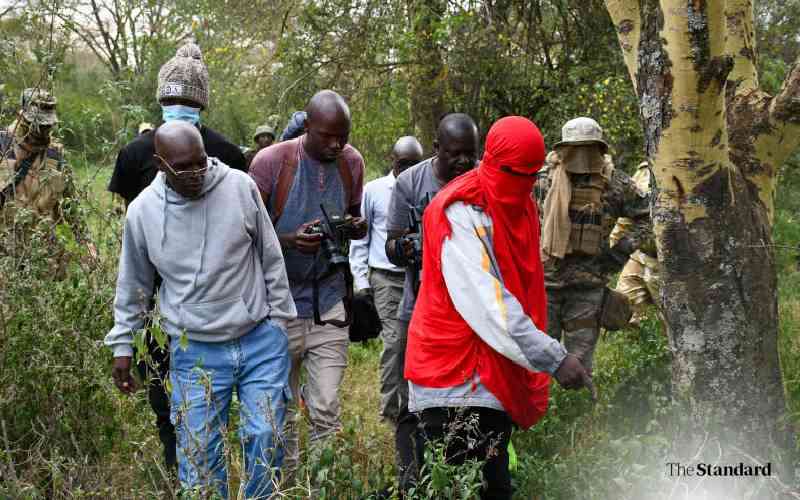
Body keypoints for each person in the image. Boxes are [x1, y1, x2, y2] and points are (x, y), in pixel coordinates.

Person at [105, 121, 296, 498]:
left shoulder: (240, 187)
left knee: (266, 436)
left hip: (258, 337)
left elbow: (270, 258)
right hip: (195, 351)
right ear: (161, 164)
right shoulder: (142, 213)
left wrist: (278, 324)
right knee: (199, 456)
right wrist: (123, 346)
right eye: (183, 167)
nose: (196, 174)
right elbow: (134, 284)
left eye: (201, 163)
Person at [405, 116, 590, 499]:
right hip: (448, 378)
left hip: (495, 373)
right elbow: (490, 305)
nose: (524, 184)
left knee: (493, 487)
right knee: (449, 489)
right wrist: (553, 356)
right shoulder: (458, 211)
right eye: (516, 174)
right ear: (491, 162)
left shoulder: (522, 209)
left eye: (531, 176)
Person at [105, 42, 248, 470]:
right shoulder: (137, 154)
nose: (179, 108)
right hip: (159, 303)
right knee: (165, 391)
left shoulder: (225, 157)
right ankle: (181, 464)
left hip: (214, 304)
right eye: (174, 100)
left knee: (204, 389)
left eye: (185, 101)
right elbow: (130, 238)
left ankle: (195, 461)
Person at [249, 90, 367, 475]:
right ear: (307, 128)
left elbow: (351, 214)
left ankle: (323, 485)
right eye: (327, 136)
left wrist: (354, 226)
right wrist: (289, 241)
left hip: (328, 302)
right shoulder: (272, 162)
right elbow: (245, 232)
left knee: (326, 408)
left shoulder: (352, 163)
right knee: (281, 411)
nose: (336, 145)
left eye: (343, 136)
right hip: (277, 306)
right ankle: (289, 483)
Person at [383, 113, 479, 491]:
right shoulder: (411, 182)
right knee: (414, 396)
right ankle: (412, 479)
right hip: (420, 302)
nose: (463, 163)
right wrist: (409, 247)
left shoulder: (483, 178)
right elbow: (391, 246)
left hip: (472, 306)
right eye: (455, 154)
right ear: (437, 149)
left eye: (470, 154)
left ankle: (462, 470)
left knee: (469, 390)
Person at [537, 117, 650, 374]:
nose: (581, 156)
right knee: (539, 366)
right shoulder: (542, 181)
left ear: (600, 149)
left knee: (579, 367)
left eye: (588, 147)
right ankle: (543, 412)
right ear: (562, 149)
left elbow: (647, 215)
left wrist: (620, 252)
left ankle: (580, 411)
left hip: (588, 290)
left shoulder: (615, 183)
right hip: (544, 288)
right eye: (575, 148)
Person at [348, 135, 423, 417]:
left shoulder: (424, 189)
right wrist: (362, 281)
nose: (408, 171)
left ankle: (413, 407)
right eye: (403, 164)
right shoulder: (374, 190)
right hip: (386, 278)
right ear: (393, 160)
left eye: (414, 165)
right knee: (394, 343)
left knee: (415, 342)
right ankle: (390, 411)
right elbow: (360, 240)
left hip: (417, 278)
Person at [0, 88, 92, 269]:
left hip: (42, 260)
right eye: (38, 125)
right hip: (4, 257)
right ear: (22, 117)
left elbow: (71, 207)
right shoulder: (2, 148)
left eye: (47, 126)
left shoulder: (54, 157)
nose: (43, 131)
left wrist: (86, 244)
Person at [611, 161, 661, 325]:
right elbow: (626, 218)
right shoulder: (644, 171)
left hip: (670, 261)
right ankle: (631, 345)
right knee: (621, 309)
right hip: (641, 254)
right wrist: (610, 248)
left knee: (672, 320)